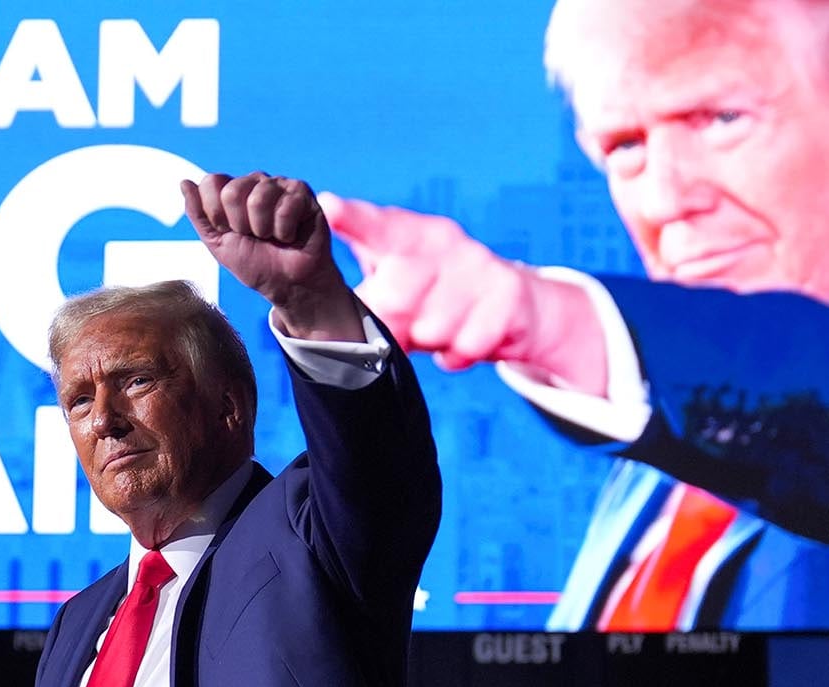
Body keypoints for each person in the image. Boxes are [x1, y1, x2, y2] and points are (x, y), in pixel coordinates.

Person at [320, 0, 829, 631]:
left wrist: (547, 319)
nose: (666, 200)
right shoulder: (653, 453)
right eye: (626, 145)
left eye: (724, 118)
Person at [6, 172, 445, 687]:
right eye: (79, 401)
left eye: (136, 380)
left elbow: (380, 470)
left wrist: (312, 303)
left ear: (228, 408)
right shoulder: (79, 621)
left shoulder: (305, 536)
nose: (105, 421)